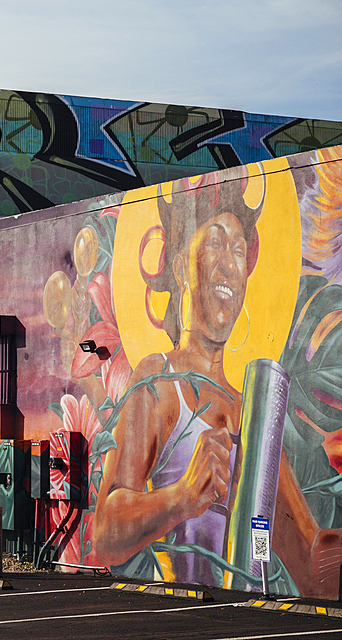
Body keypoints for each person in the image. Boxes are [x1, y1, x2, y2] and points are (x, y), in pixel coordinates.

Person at [93, 167, 341, 597]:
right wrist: (183, 495)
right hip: (172, 622)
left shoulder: (253, 413)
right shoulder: (158, 379)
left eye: (239, 248)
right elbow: (106, 531)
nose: (230, 263)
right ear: (179, 267)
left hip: (243, 619)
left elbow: (310, 560)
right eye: (214, 242)